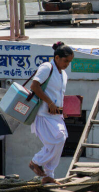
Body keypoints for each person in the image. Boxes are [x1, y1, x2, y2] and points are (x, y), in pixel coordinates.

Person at [28, 42, 74, 184]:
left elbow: (59, 94)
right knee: (56, 140)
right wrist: (50, 102)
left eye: (69, 62)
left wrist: (62, 109)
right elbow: (34, 85)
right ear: (57, 57)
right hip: (43, 114)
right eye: (65, 61)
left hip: (56, 115)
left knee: (60, 140)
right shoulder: (47, 67)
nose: (67, 64)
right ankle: (35, 161)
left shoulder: (64, 74)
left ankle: (48, 175)